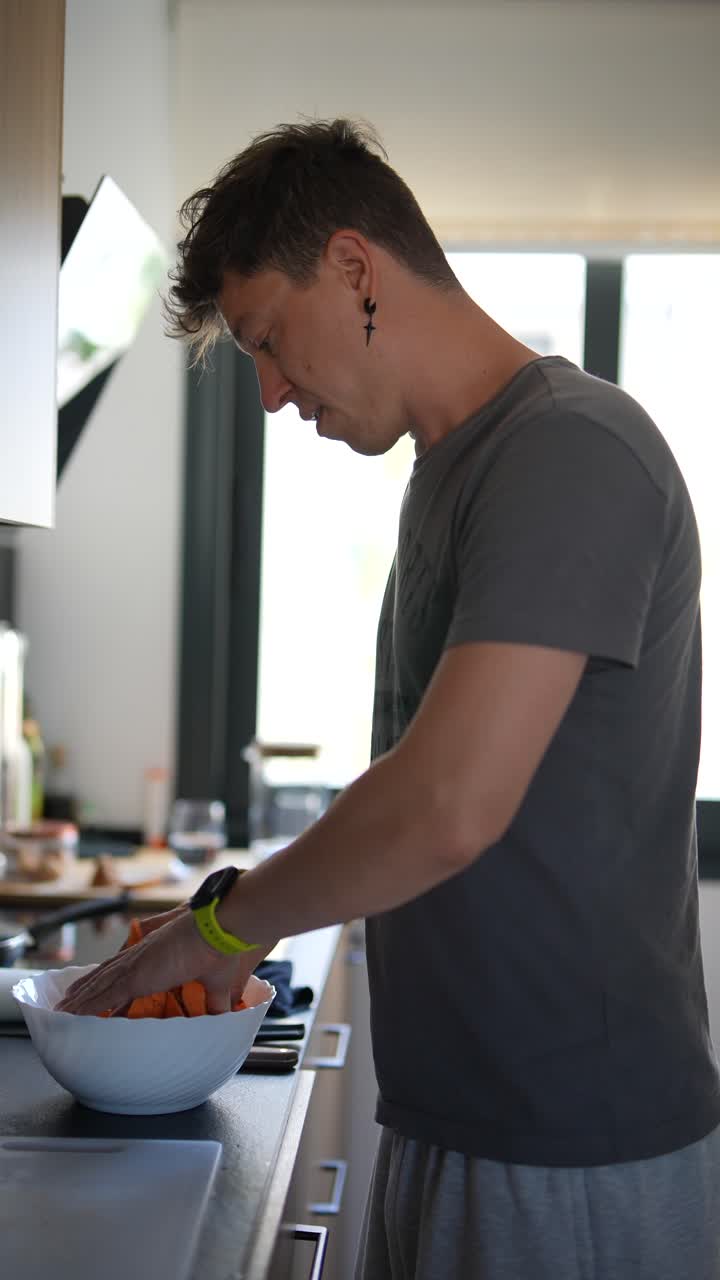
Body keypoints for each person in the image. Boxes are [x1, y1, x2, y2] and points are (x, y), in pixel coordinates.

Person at [59, 119, 720, 1279]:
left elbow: (447, 801)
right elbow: (417, 788)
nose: (269, 393)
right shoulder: (451, 474)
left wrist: (225, 922)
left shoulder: (569, 450)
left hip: (568, 1150)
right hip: (456, 1120)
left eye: (268, 339)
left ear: (356, 268)